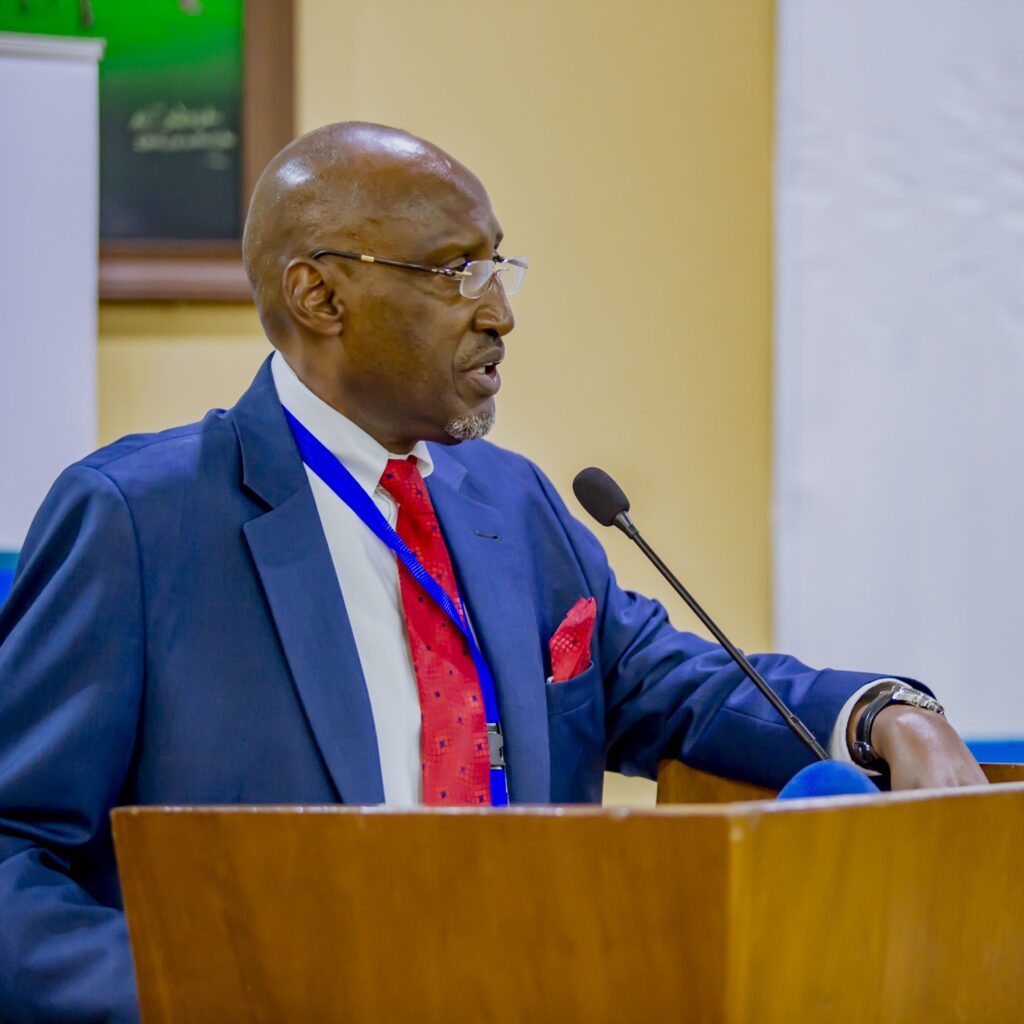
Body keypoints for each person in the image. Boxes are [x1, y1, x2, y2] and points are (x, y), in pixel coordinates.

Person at [0, 122, 984, 1022]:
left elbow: (670, 682)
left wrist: (880, 714)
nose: (501, 312)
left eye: (498, 266)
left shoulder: (512, 502)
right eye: (455, 271)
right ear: (319, 296)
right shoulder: (141, 520)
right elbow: (15, 848)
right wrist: (194, 995)